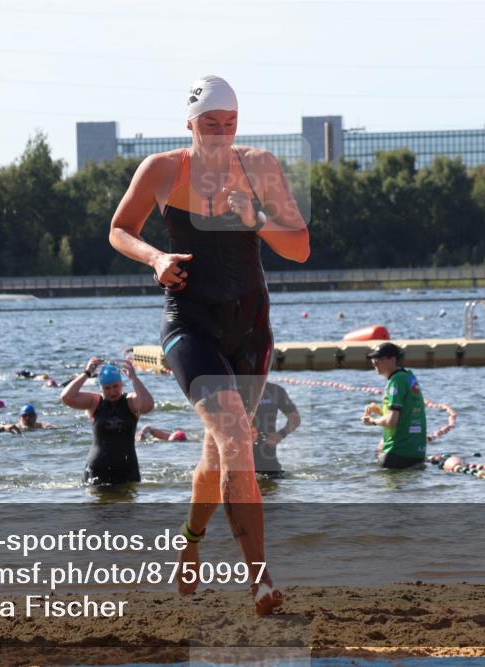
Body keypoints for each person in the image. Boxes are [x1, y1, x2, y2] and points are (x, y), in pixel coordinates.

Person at [108, 75, 309, 614]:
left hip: (250, 327)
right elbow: (119, 229)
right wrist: (155, 259)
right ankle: (261, 581)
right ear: (190, 125)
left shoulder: (259, 166)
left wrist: (256, 219)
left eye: (229, 124)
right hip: (189, 325)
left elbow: (301, 247)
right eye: (209, 125)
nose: (220, 135)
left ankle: (190, 543)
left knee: (220, 451)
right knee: (236, 437)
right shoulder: (163, 170)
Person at [60, 356, 154, 486]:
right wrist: (86, 373)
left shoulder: (130, 401)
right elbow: (66, 397)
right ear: (101, 388)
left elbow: (148, 405)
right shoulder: (95, 402)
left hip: (127, 471)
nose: (112, 392)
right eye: (107, 388)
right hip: (97, 471)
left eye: (115, 386)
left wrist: (134, 378)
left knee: (128, 506)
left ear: (121, 384)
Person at [362, 342, 427, 469]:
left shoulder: (395, 381)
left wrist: (372, 421)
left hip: (397, 454)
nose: (374, 362)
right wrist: (380, 412)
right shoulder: (409, 377)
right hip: (417, 454)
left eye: (379, 358)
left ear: (393, 360)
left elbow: (392, 421)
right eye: (373, 358)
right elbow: (405, 415)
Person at [251, 382, 301, 478]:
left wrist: (280, 434)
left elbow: (295, 419)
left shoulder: (275, 390)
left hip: (268, 462)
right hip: (238, 460)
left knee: (272, 491)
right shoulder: (229, 390)